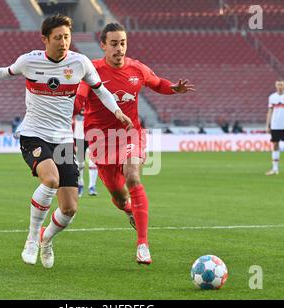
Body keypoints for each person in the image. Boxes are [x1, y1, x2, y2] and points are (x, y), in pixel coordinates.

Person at [0, 14, 132, 269]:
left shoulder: (80, 64)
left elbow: (100, 89)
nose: (63, 42)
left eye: (67, 37)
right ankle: (32, 238)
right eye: (58, 37)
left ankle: (46, 239)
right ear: (45, 39)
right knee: (51, 179)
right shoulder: (30, 61)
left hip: (63, 139)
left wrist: (117, 111)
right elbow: (4, 72)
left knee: (69, 209)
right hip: (33, 133)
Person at [74, 23, 195, 264]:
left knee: (133, 177)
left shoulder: (136, 68)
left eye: (123, 43)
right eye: (114, 44)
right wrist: (72, 107)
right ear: (103, 45)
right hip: (100, 140)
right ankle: (129, 209)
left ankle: (143, 244)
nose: (119, 49)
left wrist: (173, 88)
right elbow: (79, 100)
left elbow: (157, 82)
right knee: (119, 198)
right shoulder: (91, 71)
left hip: (130, 134)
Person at [73, 107, 99, 197]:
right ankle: (80, 184)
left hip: (93, 133)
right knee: (80, 163)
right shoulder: (77, 96)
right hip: (79, 134)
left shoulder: (94, 96)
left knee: (93, 162)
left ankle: (92, 186)